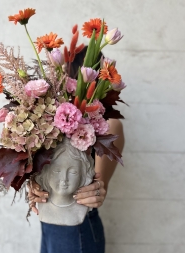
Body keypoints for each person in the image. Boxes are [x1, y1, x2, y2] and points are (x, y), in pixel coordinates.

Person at [28, 47, 125, 253]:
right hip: (50, 221)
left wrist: (97, 191)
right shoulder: (52, 122)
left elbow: (98, 186)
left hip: (77, 226)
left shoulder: (110, 124)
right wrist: (35, 185)